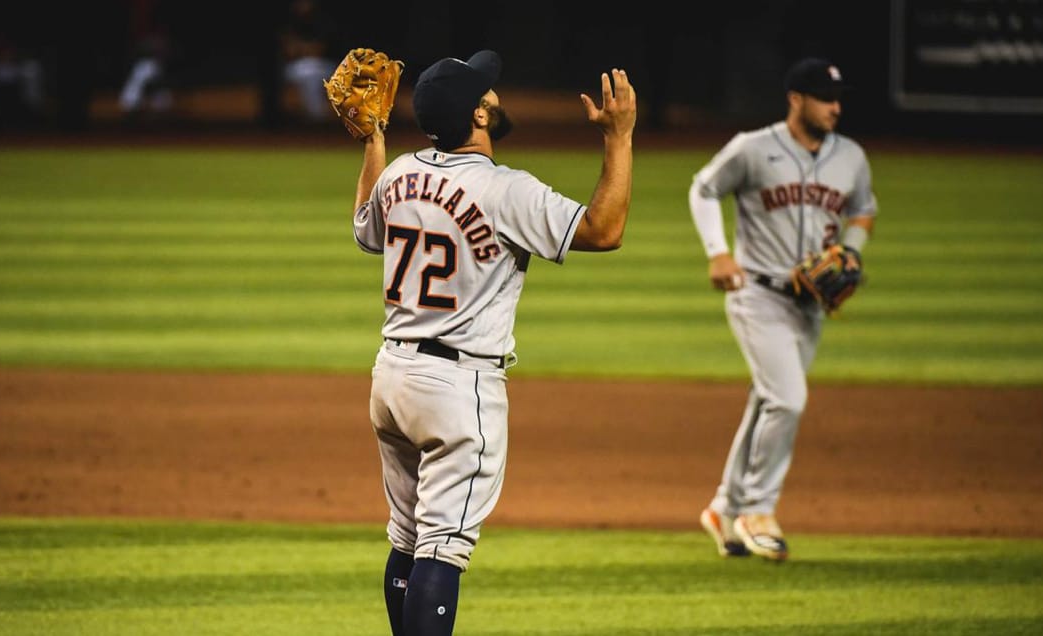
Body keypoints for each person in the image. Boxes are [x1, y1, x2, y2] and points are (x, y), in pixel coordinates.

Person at [350, 51, 636, 635]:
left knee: (408, 537)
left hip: (391, 379)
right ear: (479, 116)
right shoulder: (506, 190)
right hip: (457, 390)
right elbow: (604, 231)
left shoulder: (400, 172)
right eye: (490, 92)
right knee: (442, 547)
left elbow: (365, 228)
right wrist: (620, 139)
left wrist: (373, 140)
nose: (497, 97)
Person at [688, 56, 877, 562]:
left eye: (838, 98)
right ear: (796, 99)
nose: (836, 107)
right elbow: (703, 189)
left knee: (767, 401)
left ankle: (723, 507)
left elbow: (863, 209)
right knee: (788, 399)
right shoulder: (753, 148)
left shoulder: (851, 157)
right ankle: (757, 510)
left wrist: (853, 250)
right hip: (757, 294)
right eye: (825, 97)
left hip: (809, 306)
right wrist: (717, 251)